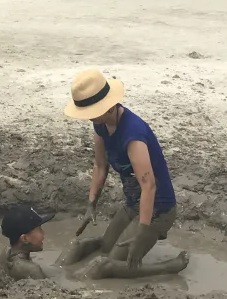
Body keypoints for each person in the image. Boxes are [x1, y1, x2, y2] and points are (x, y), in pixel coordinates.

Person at [60, 68, 180, 271]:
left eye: (91, 112)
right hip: (133, 203)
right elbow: (100, 165)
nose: (88, 118)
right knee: (106, 249)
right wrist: (91, 204)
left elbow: (148, 185)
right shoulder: (100, 124)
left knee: (112, 264)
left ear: (108, 107)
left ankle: (169, 267)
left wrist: (142, 230)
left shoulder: (132, 134)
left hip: (158, 208)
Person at [0, 204, 188, 281]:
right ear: (24, 238)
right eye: (39, 230)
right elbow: (55, 296)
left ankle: (112, 242)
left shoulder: (6, 253)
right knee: (101, 264)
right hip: (73, 280)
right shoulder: (32, 271)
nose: (44, 234)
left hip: (58, 270)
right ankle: (167, 268)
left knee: (76, 244)